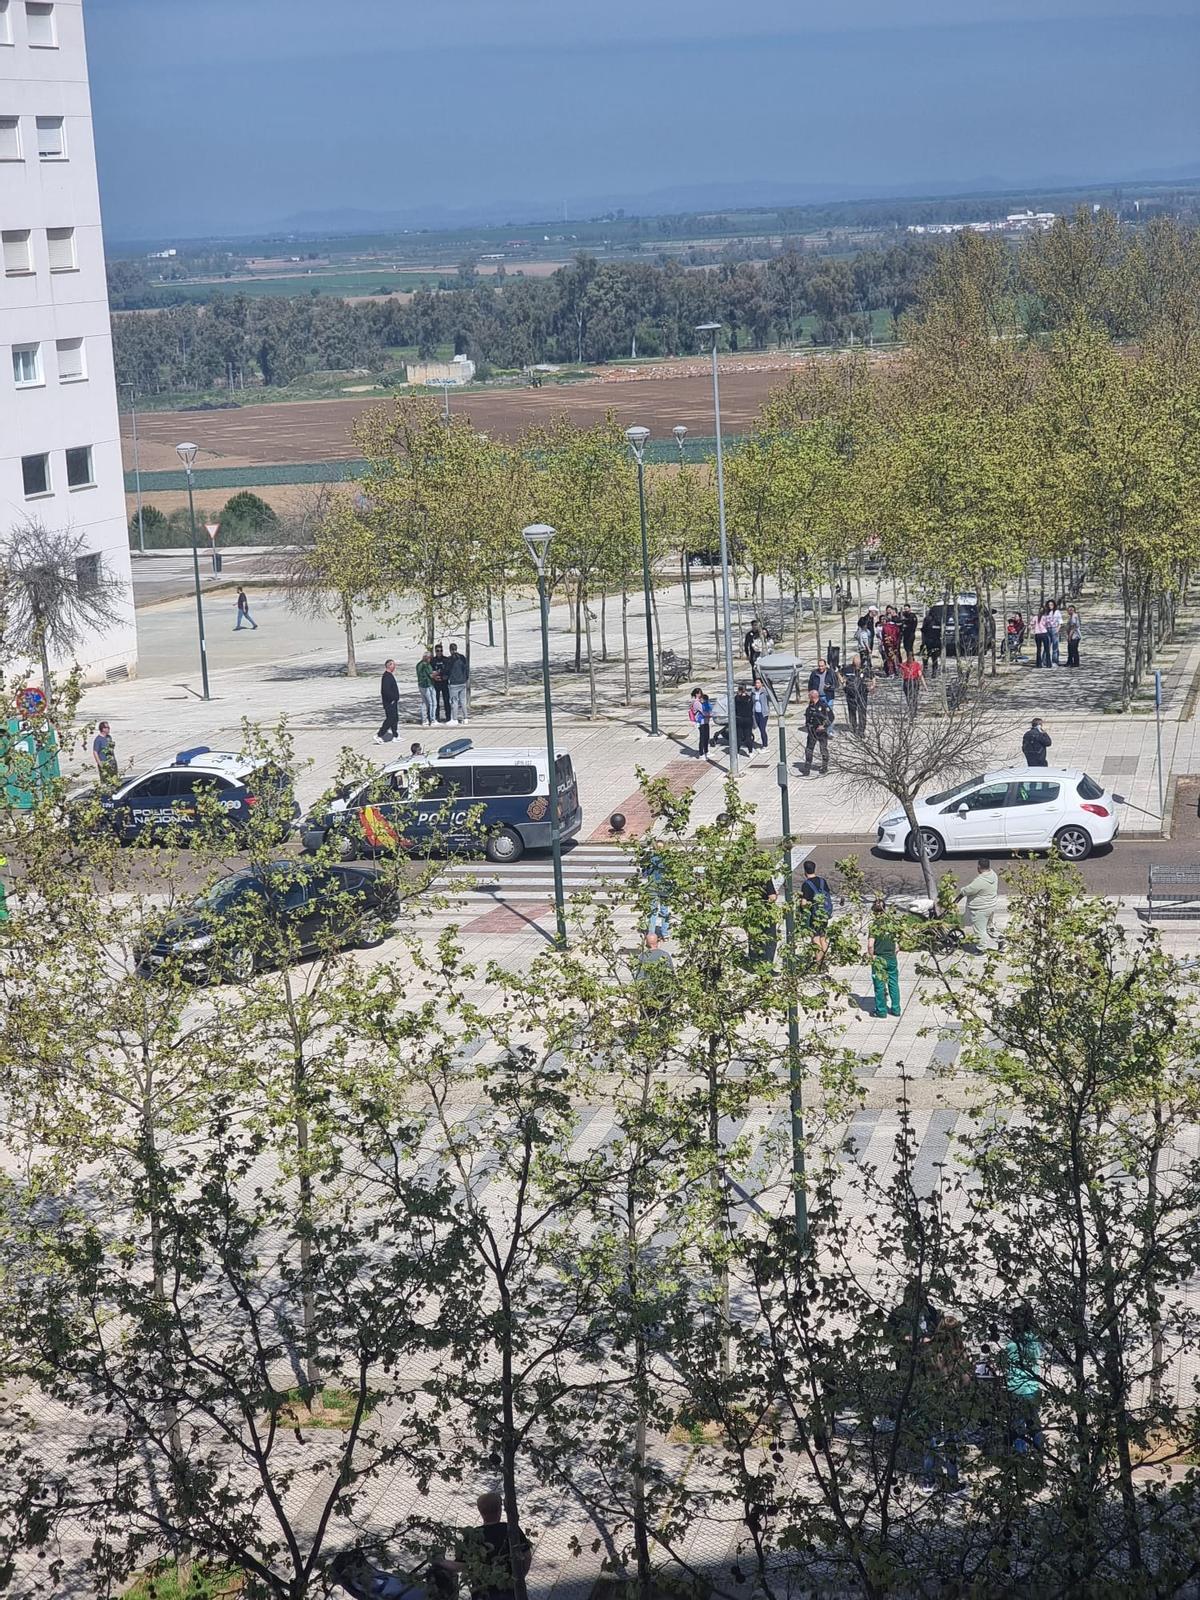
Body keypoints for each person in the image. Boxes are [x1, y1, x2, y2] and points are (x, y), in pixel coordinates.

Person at [434, 1491, 532, 1600]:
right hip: (511, 1591)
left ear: (480, 1511)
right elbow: (527, 1556)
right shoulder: (510, 1529)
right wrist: (519, 1578)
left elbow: (461, 1565)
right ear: (499, 1510)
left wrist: (440, 1561)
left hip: (482, 1593)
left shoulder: (473, 1535)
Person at [1005, 1306, 1044, 1456]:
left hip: (1016, 1388)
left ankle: (1020, 1455)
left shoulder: (1012, 1345)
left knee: (1018, 1425)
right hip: (1033, 1387)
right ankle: (1039, 1453)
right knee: (1034, 1423)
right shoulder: (1035, 1341)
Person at [867, 898, 901, 1017]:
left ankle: (881, 1011)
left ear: (874, 912)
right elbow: (898, 945)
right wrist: (893, 953)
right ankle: (896, 1009)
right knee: (893, 983)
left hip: (879, 958)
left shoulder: (874, 926)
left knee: (879, 985)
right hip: (891, 957)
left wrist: (872, 956)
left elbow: (870, 945)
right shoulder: (892, 923)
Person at [958, 857, 1000, 951]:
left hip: (980, 909)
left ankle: (981, 948)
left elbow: (968, 890)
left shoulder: (980, 880)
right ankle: (1001, 940)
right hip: (991, 906)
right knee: (990, 927)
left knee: (980, 930)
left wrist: (962, 890)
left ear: (979, 867)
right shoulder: (993, 875)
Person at [799, 859, 833, 963]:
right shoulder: (822, 881)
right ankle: (825, 960)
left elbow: (804, 903)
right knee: (823, 937)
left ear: (805, 871)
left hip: (814, 916)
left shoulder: (806, 884)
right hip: (824, 913)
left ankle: (818, 962)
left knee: (815, 938)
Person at [800, 689, 833, 776]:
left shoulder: (823, 705)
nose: (808, 697)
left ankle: (824, 766)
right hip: (812, 730)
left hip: (821, 731)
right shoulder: (811, 705)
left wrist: (824, 726)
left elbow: (831, 717)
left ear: (813, 696)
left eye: (809, 696)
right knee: (809, 749)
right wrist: (807, 725)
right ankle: (807, 767)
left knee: (823, 748)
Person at [841, 653, 872, 736]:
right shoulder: (847, 668)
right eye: (855, 663)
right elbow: (839, 673)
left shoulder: (864, 669)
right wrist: (843, 683)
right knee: (852, 712)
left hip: (862, 695)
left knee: (862, 712)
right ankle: (854, 727)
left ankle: (861, 730)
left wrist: (872, 686)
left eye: (858, 663)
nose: (857, 665)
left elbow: (872, 677)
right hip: (850, 694)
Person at [375, 659, 400, 744]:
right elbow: (385, 691)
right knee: (390, 719)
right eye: (393, 665)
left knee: (395, 718)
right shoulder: (386, 677)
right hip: (389, 702)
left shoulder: (390, 675)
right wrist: (392, 698)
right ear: (389, 666)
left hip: (393, 701)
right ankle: (379, 734)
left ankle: (395, 735)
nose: (395, 667)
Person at [447, 643, 470, 725]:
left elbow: (447, 671)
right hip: (462, 682)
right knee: (463, 701)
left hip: (454, 683)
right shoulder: (462, 657)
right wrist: (466, 678)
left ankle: (454, 719)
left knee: (454, 701)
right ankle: (466, 718)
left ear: (450, 650)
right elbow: (466, 669)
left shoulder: (450, 659)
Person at [689, 686, 713, 759]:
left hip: (705, 721)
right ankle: (701, 753)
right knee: (703, 737)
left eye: (700, 693)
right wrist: (711, 714)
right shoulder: (697, 703)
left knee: (706, 737)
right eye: (699, 693)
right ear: (696, 694)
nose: (700, 694)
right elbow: (703, 711)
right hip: (701, 722)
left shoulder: (701, 701)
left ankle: (706, 751)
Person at [415, 649, 437, 726]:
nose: (430, 659)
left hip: (420, 685)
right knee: (432, 703)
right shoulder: (426, 665)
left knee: (424, 703)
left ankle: (424, 720)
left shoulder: (418, 664)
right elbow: (431, 675)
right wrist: (437, 673)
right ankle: (432, 720)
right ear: (427, 658)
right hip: (428, 685)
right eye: (430, 658)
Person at [733, 684, 755, 757]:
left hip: (739, 718)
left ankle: (737, 752)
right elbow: (751, 707)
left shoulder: (736, 698)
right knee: (748, 735)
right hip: (748, 718)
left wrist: (738, 695)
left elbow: (734, 707)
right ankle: (750, 752)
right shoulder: (749, 698)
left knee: (738, 736)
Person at [431, 644, 451, 723]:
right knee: (436, 701)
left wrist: (443, 675)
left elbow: (448, 670)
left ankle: (448, 717)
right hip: (436, 683)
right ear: (435, 651)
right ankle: (436, 717)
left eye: (441, 651)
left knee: (446, 700)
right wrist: (434, 676)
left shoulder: (446, 659)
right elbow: (431, 671)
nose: (439, 652)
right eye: (438, 651)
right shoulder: (433, 660)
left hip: (444, 683)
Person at [921, 610, 942, 679]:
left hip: (928, 642)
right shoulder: (938, 620)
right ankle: (934, 672)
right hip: (936, 642)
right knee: (934, 658)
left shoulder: (927, 620)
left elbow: (923, 630)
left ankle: (925, 671)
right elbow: (940, 631)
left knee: (925, 657)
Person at [752, 676, 770, 749]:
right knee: (759, 728)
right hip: (756, 712)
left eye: (758, 683)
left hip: (763, 713)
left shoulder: (765, 691)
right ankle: (763, 743)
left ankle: (765, 745)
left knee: (762, 729)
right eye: (756, 683)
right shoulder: (753, 691)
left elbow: (770, 698)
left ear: (761, 684)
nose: (757, 684)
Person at [1032, 604, 1050, 669]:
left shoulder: (1035, 617)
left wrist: (1033, 627)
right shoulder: (1045, 617)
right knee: (1047, 649)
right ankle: (1048, 664)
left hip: (1038, 634)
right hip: (1044, 633)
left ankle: (1038, 664)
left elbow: (1031, 624)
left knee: (1039, 649)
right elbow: (1048, 624)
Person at [1047, 599, 1063, 667]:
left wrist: (1057, 630)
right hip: (1047, 629)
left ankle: (1055, 661)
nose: (1050, 606)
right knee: (1047, 646)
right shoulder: (1046, 612)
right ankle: (1045, 661)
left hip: (1054, 629)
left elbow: (1060, 622)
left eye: (1051, 605)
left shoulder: (1057, 612)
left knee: (1055, 646)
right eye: (1049, 605)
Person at [1065, 605, 1082, 669]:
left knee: (1073, 649)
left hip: (1075, 636)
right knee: (1070, 649)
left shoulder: (1074, 616)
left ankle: (1075, 663)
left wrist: (1069, 636)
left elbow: (1073, 627)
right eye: (1068, 610)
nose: (1069, 611)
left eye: (1071, 610)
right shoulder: (1071, 616)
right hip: (1072, 636)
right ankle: (1070, 662)